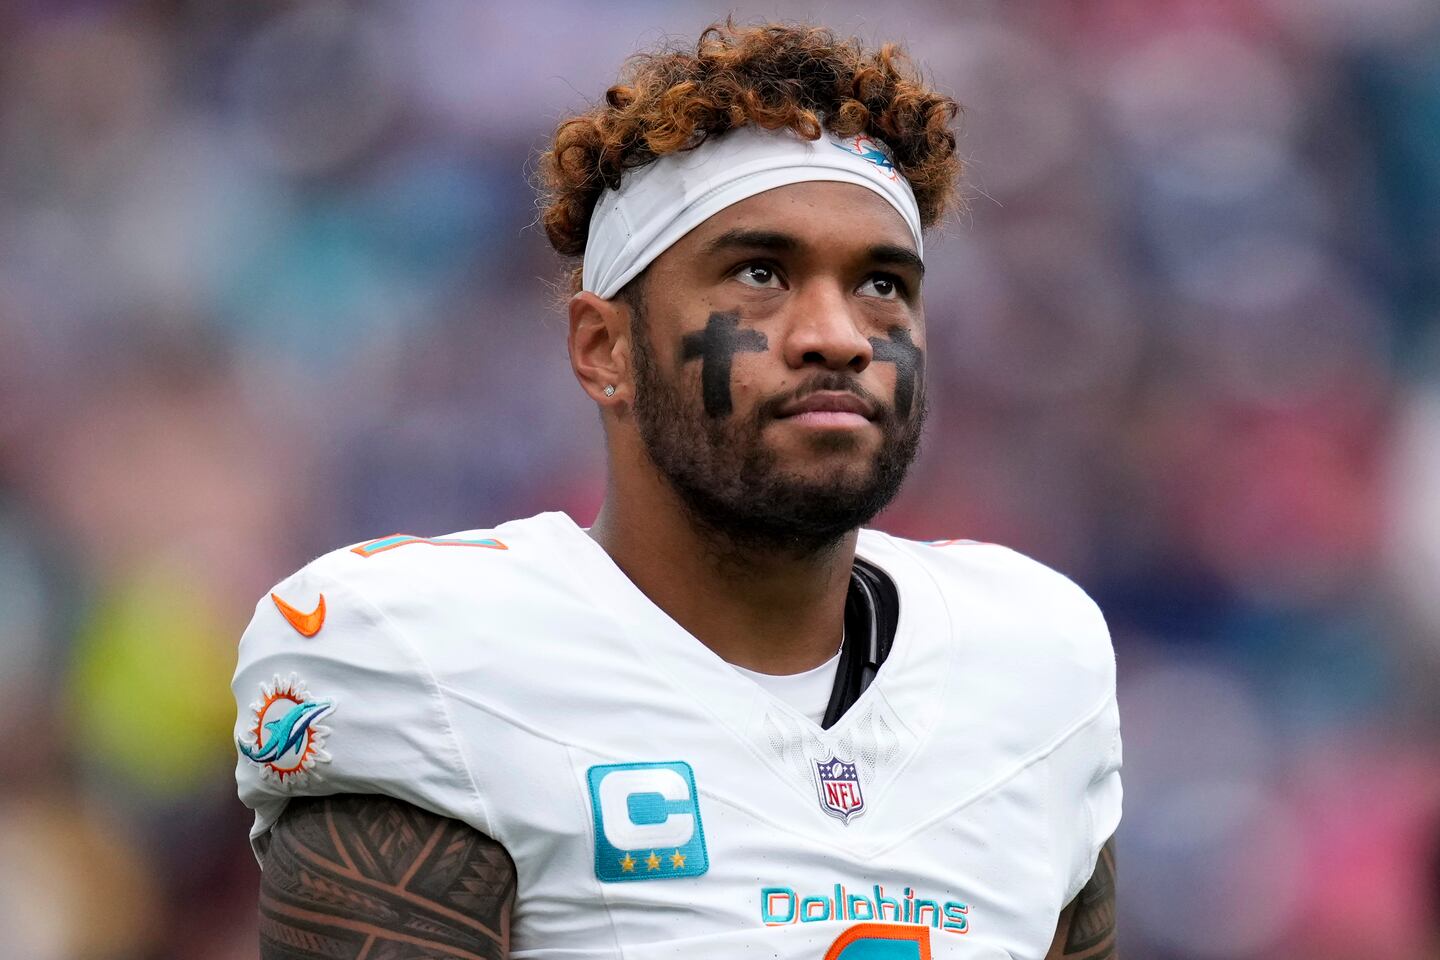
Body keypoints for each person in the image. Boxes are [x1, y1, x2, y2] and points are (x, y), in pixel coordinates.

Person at [233, 21, 1121, 960]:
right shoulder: (426, 654)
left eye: (881, 284)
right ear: (604, 349)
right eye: (760, 273)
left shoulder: (1033, 661)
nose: (838, 336)